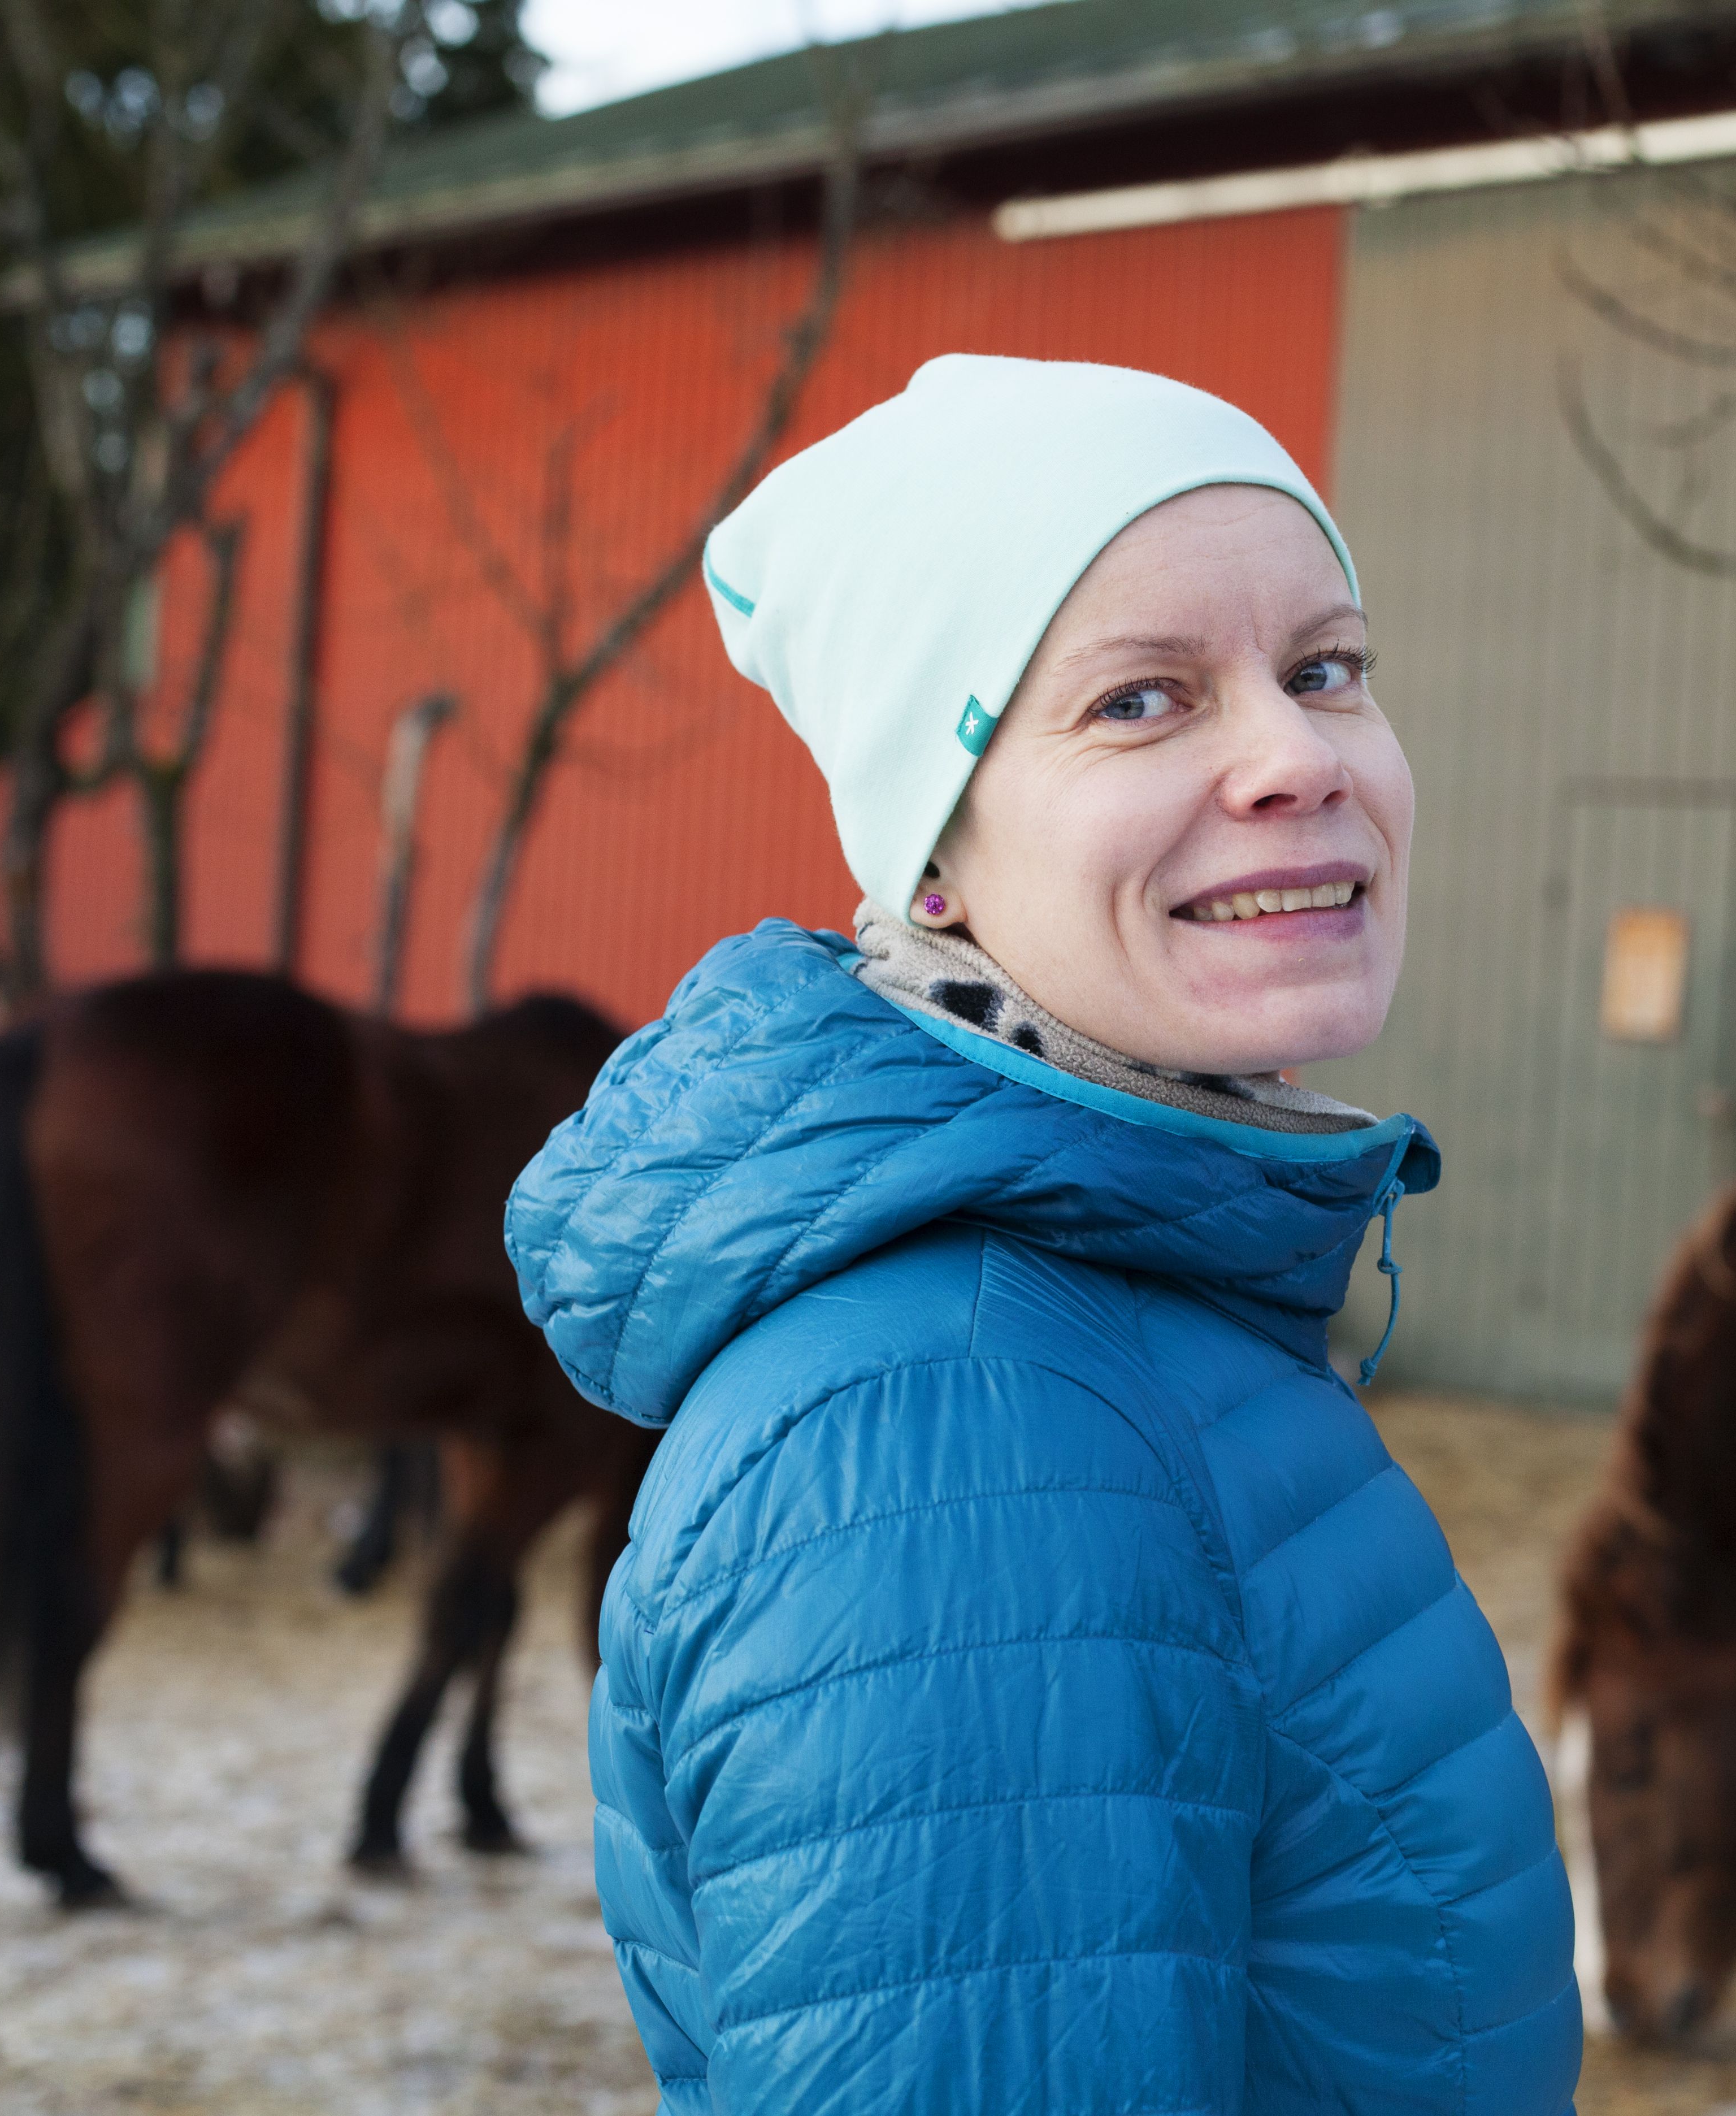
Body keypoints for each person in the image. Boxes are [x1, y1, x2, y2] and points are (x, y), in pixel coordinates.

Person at [506, 355, 1581, 2114]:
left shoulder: (1118, 1313)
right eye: (1146, 702)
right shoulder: (962, 1438)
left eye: (1326, 670)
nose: (1298, 756)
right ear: (934, 860)